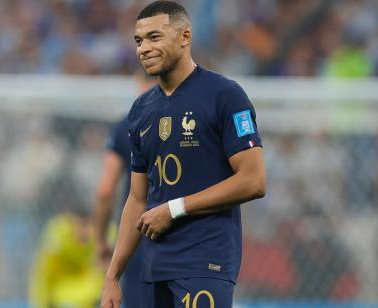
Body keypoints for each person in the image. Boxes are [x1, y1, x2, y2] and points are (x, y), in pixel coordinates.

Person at [100, 1, 266, 308]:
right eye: (138, 41)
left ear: (185, 36)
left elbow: (253, 180)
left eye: (154, 37)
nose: (143, 49)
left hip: (205, 262)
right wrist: (113, 275)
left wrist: (174, 208)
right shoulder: (140, 111)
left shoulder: (225, 95)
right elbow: (137, 199)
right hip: (153, 268)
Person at [93, 71, 155, 308]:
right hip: (183, 230)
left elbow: (105, 191)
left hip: (138, 232)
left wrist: (100, 241)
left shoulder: (126, 126)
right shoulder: (188, 122)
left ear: (138, 82)